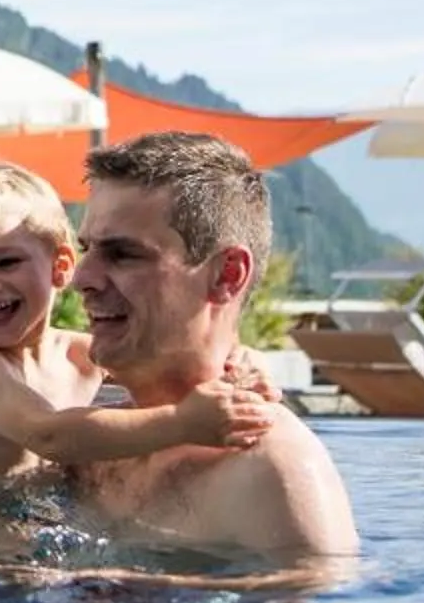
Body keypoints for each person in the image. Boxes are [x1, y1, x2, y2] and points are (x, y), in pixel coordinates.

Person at [0, 162, 276, 519]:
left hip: (4, 529)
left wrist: (239, 362)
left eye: (7, 262)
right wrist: (183, 422)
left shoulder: (81, 356)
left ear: (61, 267)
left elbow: (162, 362)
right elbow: (49, 434)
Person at [68, 132, 359, 560]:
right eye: (86, 249)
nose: (82, 278)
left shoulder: (270, 474)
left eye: (123, 254)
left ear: (227, 274)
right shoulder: (85, 436)